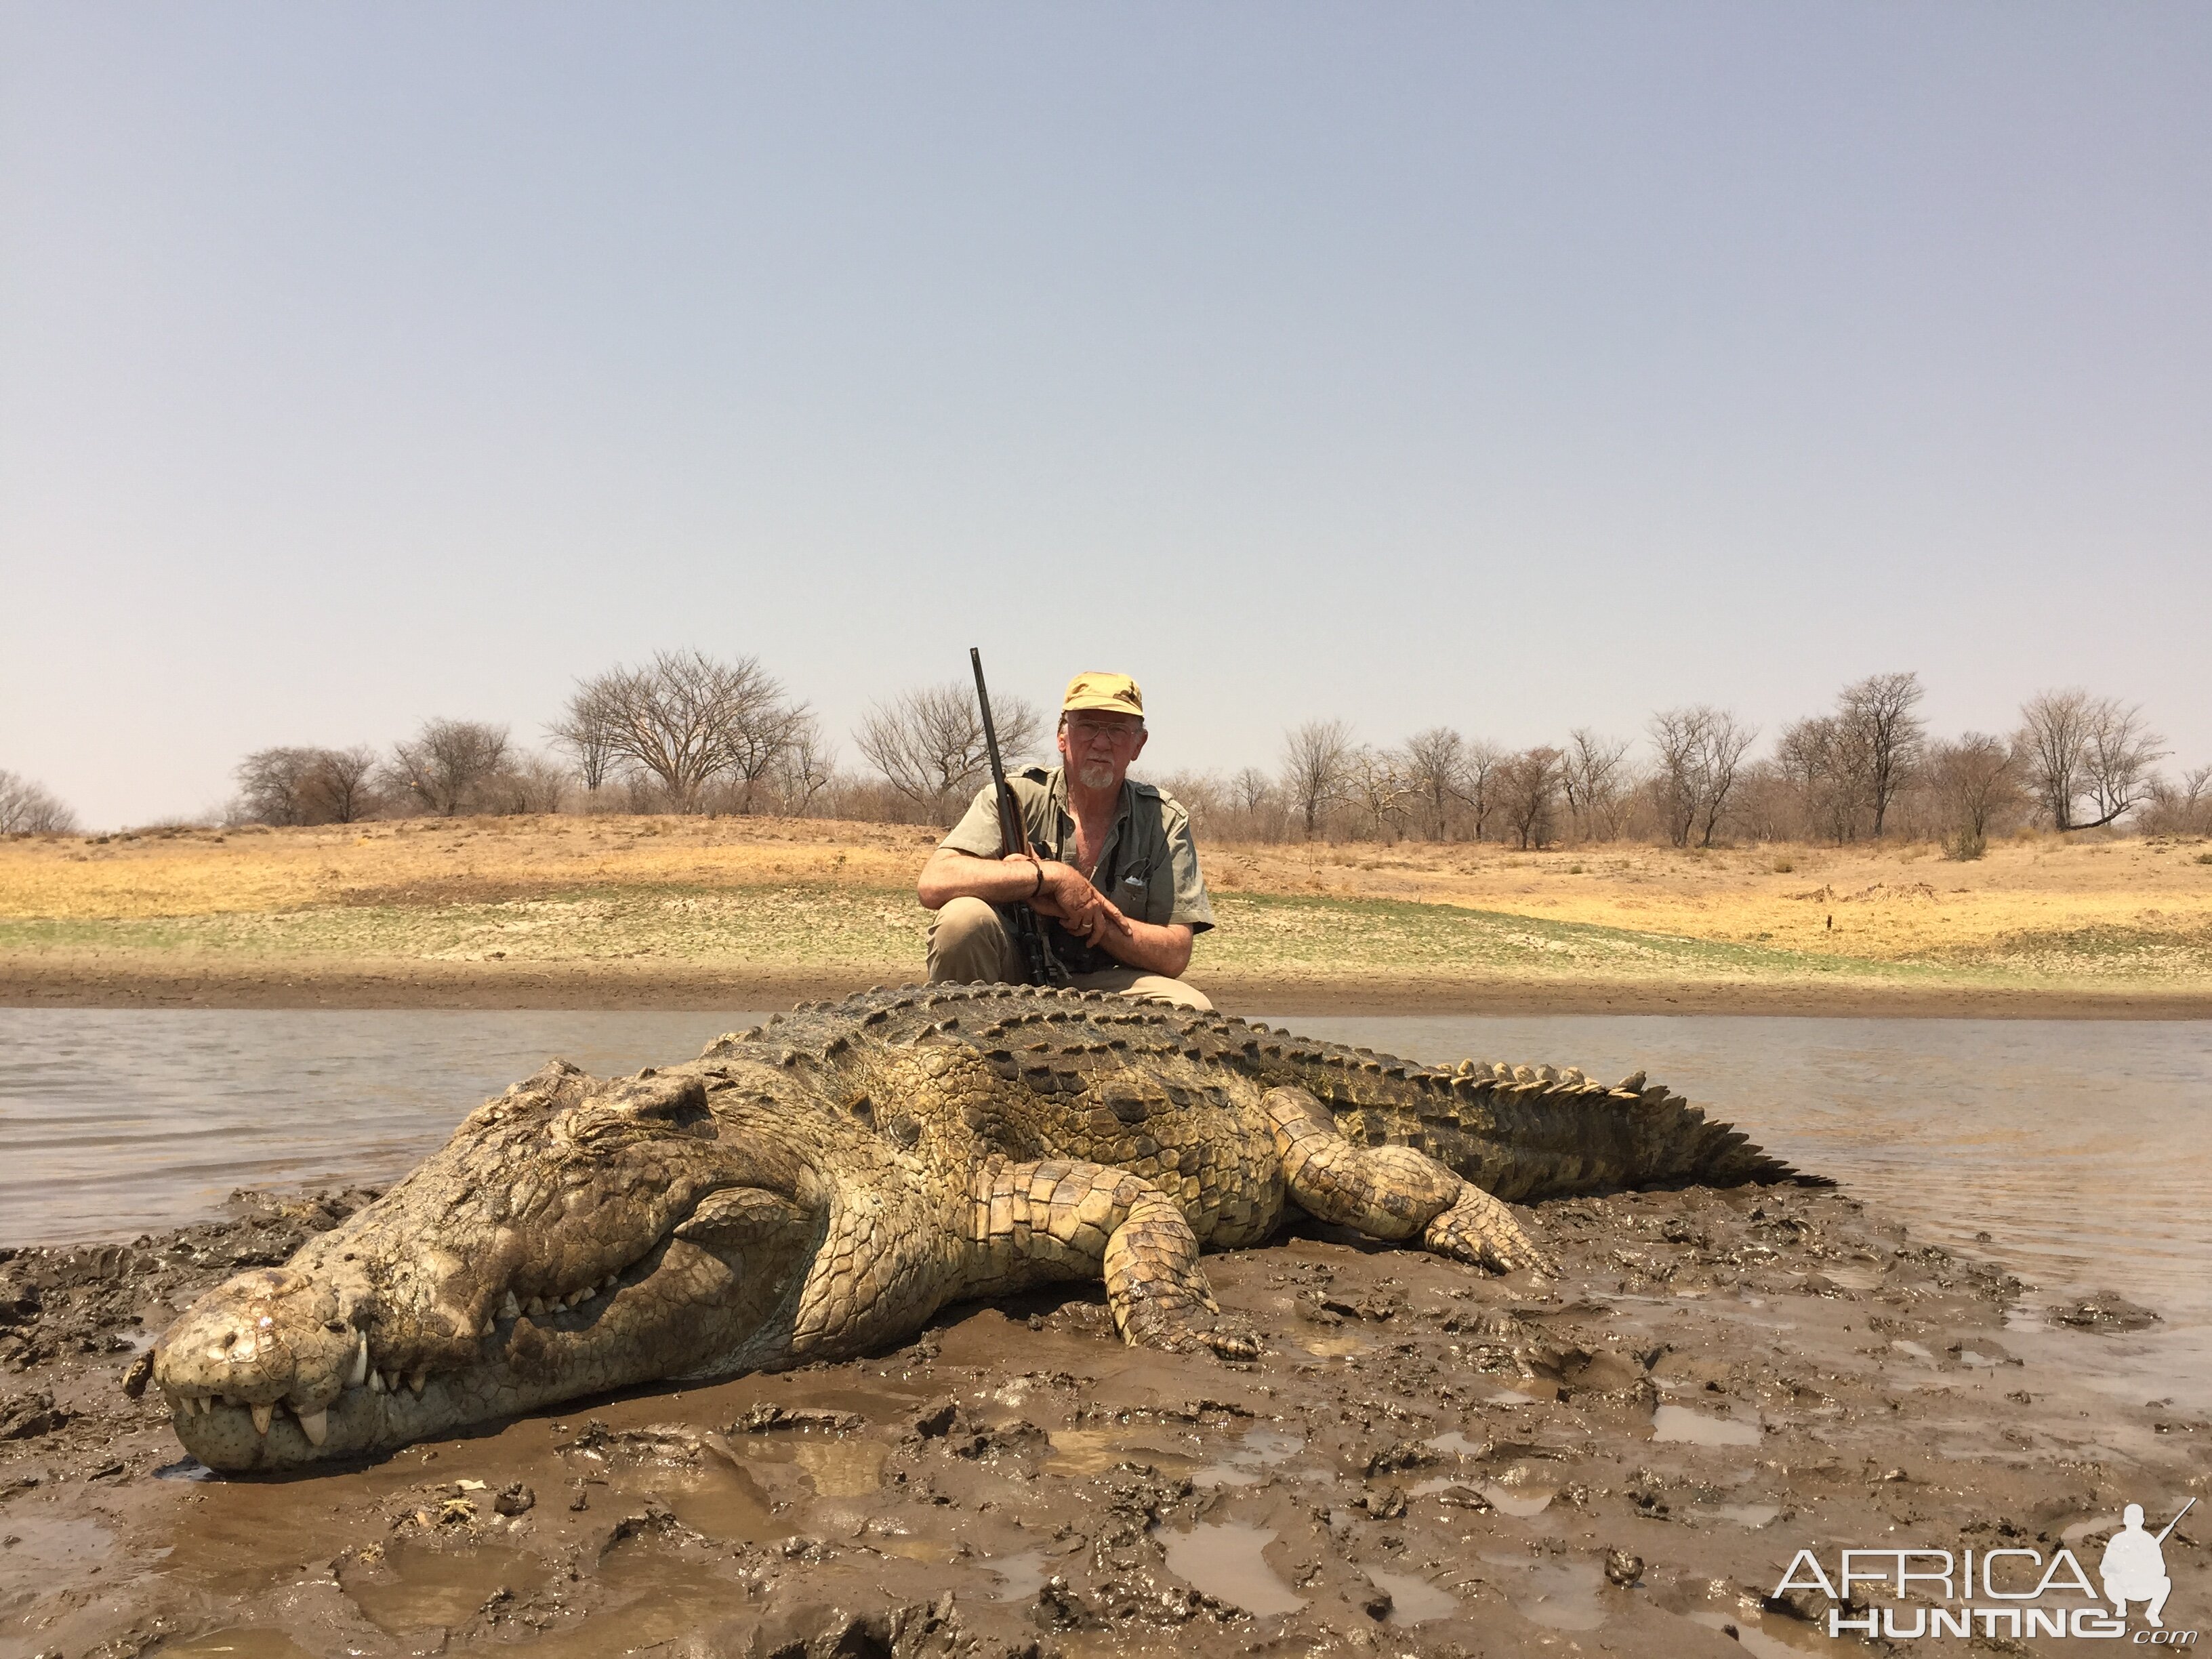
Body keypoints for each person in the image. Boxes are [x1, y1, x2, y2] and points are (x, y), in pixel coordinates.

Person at [918, 671, 1215, 1010]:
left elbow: (1175, 953)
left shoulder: (1164, 820)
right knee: (961, 919)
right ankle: (960, 1052)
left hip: (1108, 982)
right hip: (1009, 971)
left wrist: (1093, 917)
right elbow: (935, 881)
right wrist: (1047, 879)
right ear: (1062, 736)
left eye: (1118, 730)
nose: (1101, 743)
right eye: (1087, 726)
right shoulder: (1013, 795)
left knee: (1194, 1009)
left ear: (1138, 744)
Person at [2100, 1504, 2172, 1627]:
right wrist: (2121, 1568)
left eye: (2135, 1517)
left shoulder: (2150, 1541)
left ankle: (2153, 1613)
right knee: (2110, 1580)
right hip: (2123, 1587)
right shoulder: (2117, 1540)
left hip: (2144, 1587)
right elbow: (2105, 1569)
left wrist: (2145, 1566)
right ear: (2125, 1520)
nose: (2132, 1521)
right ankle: (2121, 1605)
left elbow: (2161, 1570)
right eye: (2130, 1517)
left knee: (2165, 1582)